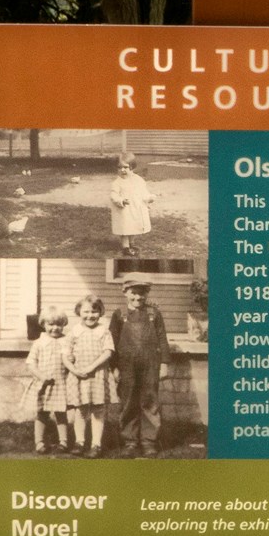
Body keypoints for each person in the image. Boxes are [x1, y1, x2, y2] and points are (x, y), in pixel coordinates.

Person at [110, 277, 168, 456]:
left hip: (150, 365)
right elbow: (111, 341)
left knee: (149, 401)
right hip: (126, 365)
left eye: (142, 293)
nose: (137, 297)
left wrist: (164, 363)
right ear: (125, 292)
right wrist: (114, 367)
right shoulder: (119, 314)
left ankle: (149, 441)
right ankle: (130, 441)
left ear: (147, 294)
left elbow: (162, 339)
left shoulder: (154, 313)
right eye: (133, 292)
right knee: (128, 402)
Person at [65, 294, 116, 458]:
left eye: (94, 311)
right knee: (80, 410)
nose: (90, 315)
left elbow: (108, 352)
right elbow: (65, 355)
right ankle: (80, 442)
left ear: (100, 312)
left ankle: (96, 444)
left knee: (98, 410)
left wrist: (91, 367)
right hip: (79, 376)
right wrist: (73, 369)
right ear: (79, 312)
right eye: (86, 311)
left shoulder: (104, 331)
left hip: (98, 375)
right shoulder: (74, 331)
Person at [22, 308, 72, 455]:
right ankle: (39, 442)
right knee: (42, 413)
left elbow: (70, 359)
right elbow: (30, 363)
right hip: (43, 384)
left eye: (58, 324)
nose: (55, 328)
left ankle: (63, 441)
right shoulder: (39, 342)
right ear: (43, 324)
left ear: (63, 325)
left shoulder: (66, 341)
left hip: (61, 383)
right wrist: (41, 376)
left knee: (61, 413)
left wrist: (72, 359)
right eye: (51, 324)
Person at [109, 152, 155, 255]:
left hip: (135, 208)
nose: (122, 170)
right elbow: (113, 196)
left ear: (132, 167)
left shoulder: (138, 180)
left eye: (125, 167)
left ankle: (132, 243)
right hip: (124, 210)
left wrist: (149, 198)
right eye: (119, 168)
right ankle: (125, 247)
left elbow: (143, 192)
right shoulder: (117, 183)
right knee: (125, 228)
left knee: (134, 226)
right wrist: (121, 201)